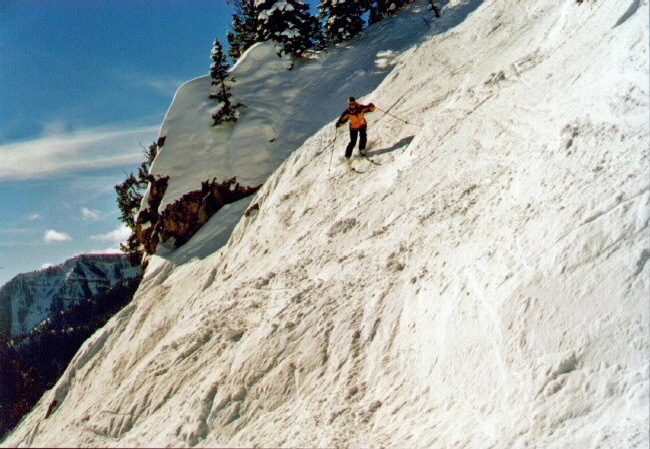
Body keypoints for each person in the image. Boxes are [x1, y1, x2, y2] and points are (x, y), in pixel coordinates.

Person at [335, 97, 376, 161]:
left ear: (355, 103)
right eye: (350, 104)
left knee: (363, 136)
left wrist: (371, 107)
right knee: (353, 142)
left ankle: (362, 149)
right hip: (354, 126)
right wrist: (339, 124)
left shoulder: (360, 108)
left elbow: (368, 108)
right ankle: (347, 155)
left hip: (362, 124)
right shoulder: (347, 112)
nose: (352, 105)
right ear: (348, 104)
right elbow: (343, 119)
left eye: (353, 103)